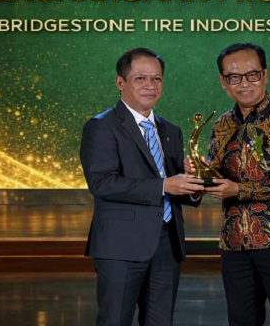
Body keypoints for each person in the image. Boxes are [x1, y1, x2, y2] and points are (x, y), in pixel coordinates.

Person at [189, 42, 270, 326]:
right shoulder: (221, 125)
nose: (244, 83)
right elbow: (220, 172)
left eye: (252, 74)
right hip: (234, 242)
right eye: (234, 77)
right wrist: (201, 172)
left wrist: (239, 190)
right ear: (223, 81)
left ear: (265, 75)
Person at [80, 47, 205, 326]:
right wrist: (164, 186)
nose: (151, 85)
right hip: (121, 247)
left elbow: (173, 184)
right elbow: (102, 183)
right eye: (140, 78)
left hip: (167, 245)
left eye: (157, 78)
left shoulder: (171, 130)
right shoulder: (101, 126)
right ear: (120, 82)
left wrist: (194, 185)